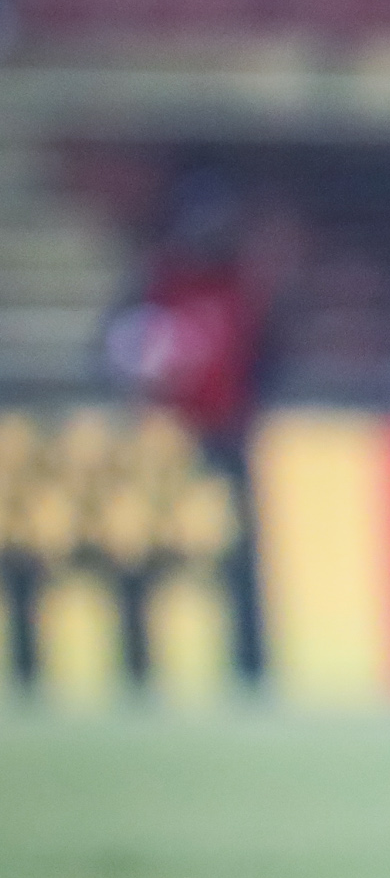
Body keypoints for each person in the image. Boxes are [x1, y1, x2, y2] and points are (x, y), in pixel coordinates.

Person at [102, 170, 278, 692]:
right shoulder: (159, 281)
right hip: (164, 442)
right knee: (148, 554)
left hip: (225, 437)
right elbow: (115, 349)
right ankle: (139, 668)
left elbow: (265, 355)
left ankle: (248, 666)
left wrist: (253, 408)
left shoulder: (238, 286)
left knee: (239, 560)